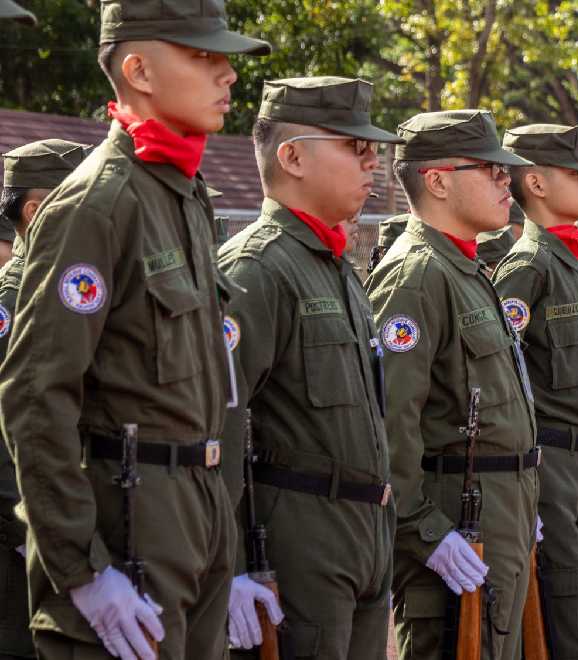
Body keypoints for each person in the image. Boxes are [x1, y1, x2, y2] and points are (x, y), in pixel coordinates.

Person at [0, 2, 270, 658]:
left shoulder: (183, 194)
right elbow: (37, 394)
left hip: (196, 516)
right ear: (139, 69)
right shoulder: (99, 202)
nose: (227, 74)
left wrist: (225, 548)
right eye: (203, 56)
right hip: (130, 527)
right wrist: (82, 570)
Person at [217, 76, 399, 659]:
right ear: (292, 156)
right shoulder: (257, 268)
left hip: (363, 529)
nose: (373, 162)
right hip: (297, 537)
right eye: (354, 146)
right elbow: (219, 422)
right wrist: (231, 566)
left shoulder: (338, 268)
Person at [366, 110, 539, 660]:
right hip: (455, 522)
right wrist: (424, 530)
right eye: (488, 170)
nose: (503, 181)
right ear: (437, 180)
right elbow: (392, 421)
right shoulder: (417, 274)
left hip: (495, 513)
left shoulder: (465, 270)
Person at [492, 123, 578, 660]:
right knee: (560, 610)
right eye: (577, 173)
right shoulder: (529, 267)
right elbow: (499, 380)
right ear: (537, 184)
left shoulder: (569, 265)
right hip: (546, 464)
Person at [0, 139, 90, 660]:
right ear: (35, 212)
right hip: (19, 543)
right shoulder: (10, 301)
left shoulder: (62, 293)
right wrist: (29, 531)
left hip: (61, 535)